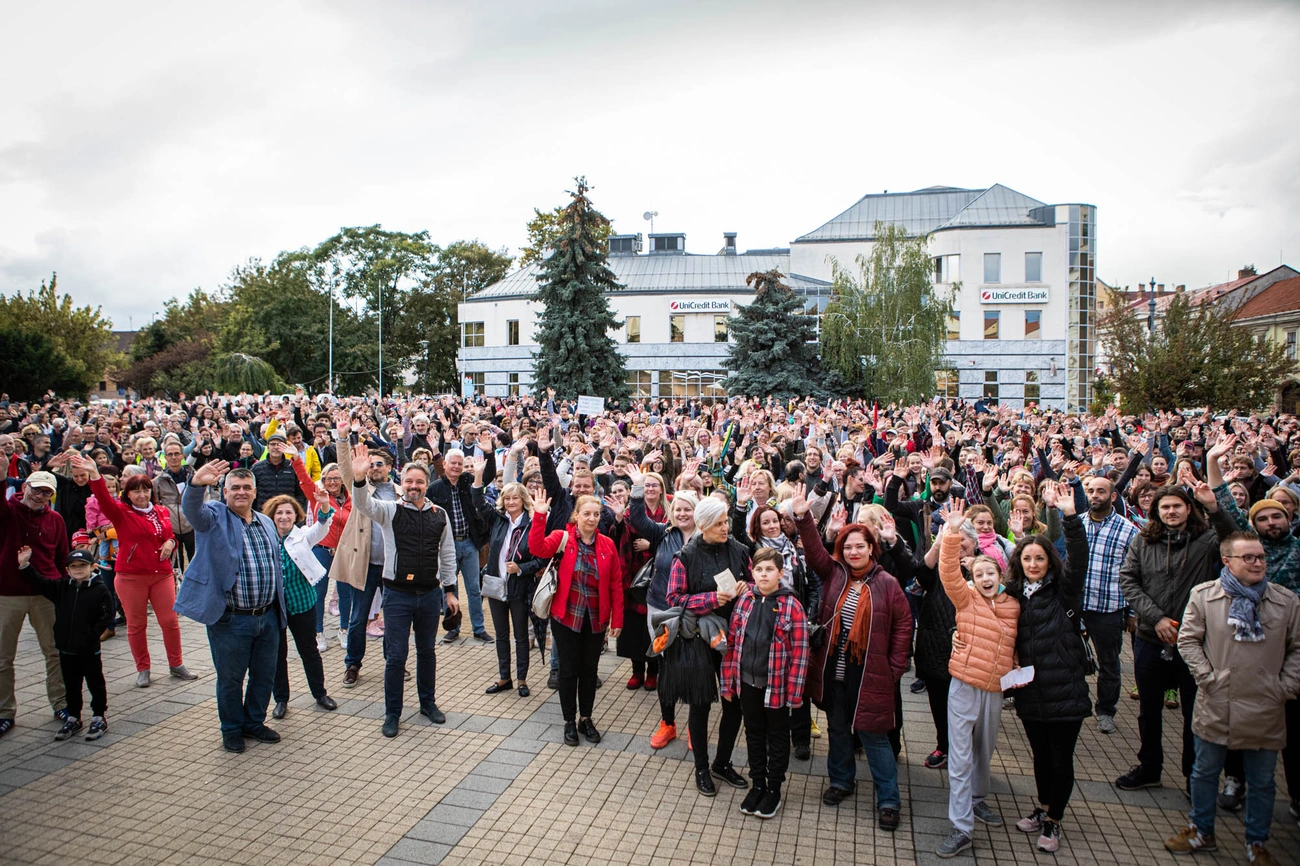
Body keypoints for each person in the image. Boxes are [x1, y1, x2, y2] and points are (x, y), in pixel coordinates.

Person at [1164, 531, 1300, 866]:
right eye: (1249, 557)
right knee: (1205, 771)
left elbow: (1297, 648)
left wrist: (1285, 687)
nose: (1258, 563)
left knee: (1263, 781)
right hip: (1218, 698)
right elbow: (1189, 640)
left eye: (1261, 558)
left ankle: (1257, 842)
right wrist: (1208, 679)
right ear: (1227, 561)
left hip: (1266, 703)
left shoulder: (1285, 601)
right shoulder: (1205, 596)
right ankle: (1201, 829)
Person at [792, 485, 911, 830]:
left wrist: (894, 669)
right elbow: (815, 553)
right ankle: (841, 780)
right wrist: (803, 517)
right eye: (848, 546)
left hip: (870, 673)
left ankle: (888, 799)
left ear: (872, 549)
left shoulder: (887, 583)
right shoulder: (836, 574)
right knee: (838, 729)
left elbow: (904, 625)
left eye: (861, 546)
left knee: (874, 736)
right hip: (836, 671)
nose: (854, 551)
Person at [176, 460, 287, 754]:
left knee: (264, 675)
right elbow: (192, 512)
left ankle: (253, 722)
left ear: (255, 491)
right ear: (224, 493)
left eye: (246, 487)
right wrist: (197, 485)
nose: (241, 492)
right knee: (231, 678)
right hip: (231, 619)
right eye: (234, 488)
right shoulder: (214, 517)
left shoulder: (265, 522)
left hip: (267, 615)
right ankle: (231, 729)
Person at [350, 445, 459, 738]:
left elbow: (448, 555)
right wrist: (359, 480)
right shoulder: (390, 511)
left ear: (426, 485)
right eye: (409, 481)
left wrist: (450, 591)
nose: (414, 486)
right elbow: (364, 506)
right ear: (403, 483)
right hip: (397, 595)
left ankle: (428, 703)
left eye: (419, 482)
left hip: (429, 594)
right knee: (396, 657)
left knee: (427, 652)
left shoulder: (440, 515)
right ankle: (392, 714)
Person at [1116, 485, 1220, 792]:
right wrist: (1156, 618)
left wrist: (1215, 507)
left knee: (1193, 711)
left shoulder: (1207, 541)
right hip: (1150, 636)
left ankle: (1193, 775)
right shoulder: (1144, 540)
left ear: (1189, 508)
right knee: (1149, 709)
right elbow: (1128, 580)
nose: (1171, 511)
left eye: (1177, 506)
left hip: (1193, 640)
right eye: (1165, 507)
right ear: (1156, 512)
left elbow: (1232, 538)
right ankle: (1150, 767)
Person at [1005, 481, 1090, 854]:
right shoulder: (1011, 595)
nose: (1034, 564)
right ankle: (1042, 806)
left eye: (1040, 559)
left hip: (1065, 690)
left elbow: (1080, 557)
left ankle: (1055, 819)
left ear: (1049, 561)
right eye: (1027, 559)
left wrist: (1069, 517)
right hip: (1031, 690)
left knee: (1060, 757)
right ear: (1019, 564)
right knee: (1039, 755)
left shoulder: (1064, 590)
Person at [933, 502, 1020, 859]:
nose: (985, 579)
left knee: (984, 750)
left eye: (992, 574)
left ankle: (978, 800)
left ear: (1001, 577)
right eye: (980, 574)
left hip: (995, 690)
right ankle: (961, 825)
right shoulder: (965, 599)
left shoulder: (1014, 605)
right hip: (964, 685)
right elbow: (947, 573)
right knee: (961, 754)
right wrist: (953, 532)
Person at [77, 453, 195, 687]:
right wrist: (94, 474)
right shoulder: (120, 512)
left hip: (161, 574)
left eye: (146, 490)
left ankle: (176, 663)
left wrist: (171, 542)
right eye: (136, 491)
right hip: (131, 577)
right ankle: (143, 668)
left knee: (170, 621)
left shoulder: (160, 511)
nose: (142, 495)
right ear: (127, 494)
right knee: (137, 624)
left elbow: (169, 535)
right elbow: (102, 497)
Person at [662, 497, 750, 796]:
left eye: (726, 521)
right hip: (699, 638)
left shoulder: (738, 550)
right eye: (719, 524)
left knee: (733, 703)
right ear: (702, 526)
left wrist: (745, 588)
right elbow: (673, 598)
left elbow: (752, 581)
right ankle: (701, 767)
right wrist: (712, 599)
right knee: (699, 705)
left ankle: (722, 763)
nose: (726, 528)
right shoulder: (685, 555)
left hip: (732, 638)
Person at [529, 488, 623, 747]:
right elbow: (536, 547)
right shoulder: (563, 538)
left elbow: (616, 583)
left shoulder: (607, 545)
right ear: (576, 516)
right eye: (586, 514)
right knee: (569, 671)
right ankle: (569, 720)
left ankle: (586, 718)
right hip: (566, 617)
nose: (592, 519)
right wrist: (539, 516)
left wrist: (617, 620)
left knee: (589, 671)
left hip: (595, 618)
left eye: (596, 514)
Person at [720, 547, 809, 820]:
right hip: (747, 682)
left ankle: (774, 789)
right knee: (754, 733)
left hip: (778, 687)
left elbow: (801, 651)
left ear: (780, 574)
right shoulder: (745, 600)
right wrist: (728, 684)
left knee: (778, 736)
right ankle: (757, 783)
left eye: (769, 569)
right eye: (758, 570)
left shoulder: (791, 605)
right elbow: (732, 643)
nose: (763, 574)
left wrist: (794, 694)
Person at [628, 477, 698, 750]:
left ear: (697, 511)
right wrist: (637, 489)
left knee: (694, 667)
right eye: (678, 509)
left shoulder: (706, 539)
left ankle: (696, 725)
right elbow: (637, 520)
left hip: (693, 611)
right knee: (667, 667)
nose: (682, 514)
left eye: (687, 509)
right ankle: (667, 723)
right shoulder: (663, 533)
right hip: (660, 607)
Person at [0, 467, 69, 738]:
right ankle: (5, 712)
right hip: (8, 593)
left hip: (46, 593)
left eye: (46, 492)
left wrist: (63, 589)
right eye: (36, 489)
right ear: (25, 486)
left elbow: (62, 557)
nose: (39, 495)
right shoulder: (8, 511)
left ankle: (61, 704)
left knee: (54, 652)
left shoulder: (56, 520)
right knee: (3, 657)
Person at [18, 548, 114, 741]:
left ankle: (98, 716)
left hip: (89, 649)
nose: (78, 570)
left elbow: (106, 616)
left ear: (92, 567)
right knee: (71, 685)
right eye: (73, 567)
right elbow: (40, 584)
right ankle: (73, 717)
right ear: (67, 569)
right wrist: (24, 565)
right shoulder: (62, 587)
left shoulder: (100, 590)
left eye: (82, 566)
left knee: (95, 682)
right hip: (66, 648)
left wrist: (92, 635)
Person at [263, 493, 338, 719]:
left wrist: (324, 503)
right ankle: (281, 699)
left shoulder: (303, 535)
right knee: (278, 654)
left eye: (288, 512)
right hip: (274, 606)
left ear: (296, 515)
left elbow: (323, 524)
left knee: (309, 651)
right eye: (279, 512)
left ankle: (320, 693)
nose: (284, 517)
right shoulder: (265, 538)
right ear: (272, 516)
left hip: (302, 604)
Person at [472, 460, 542, 697]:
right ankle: (505, 678)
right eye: (507, 498)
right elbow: (478, 502)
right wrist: (479, 478)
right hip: (495, 586)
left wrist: (521, 568)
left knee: (521, 636)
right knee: (501, 635)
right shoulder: (498, 520)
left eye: (515, 498)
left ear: (523, 499)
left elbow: (541, 560)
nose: (511, 502)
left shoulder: (532, 525)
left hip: (519, 587)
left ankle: (522, 679)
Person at [338, 428, 397, 688]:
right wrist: (342, 440)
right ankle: (352, 664)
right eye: (370, 465)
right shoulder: (360, 488)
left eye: (378, 464)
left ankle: (394, 661)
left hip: (393, 566)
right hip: (366, 564)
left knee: (394, 617)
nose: (373, 468)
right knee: (358, 617)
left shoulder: (399, 491)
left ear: (389, 467)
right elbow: (346, 470)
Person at [1080, 474, 1139, 734]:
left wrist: (1133, 611)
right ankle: (1076, 704)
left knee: (1109, 664)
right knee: (1071, 660)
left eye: (1101, 491)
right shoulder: (1077, 524)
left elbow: (1138, 574)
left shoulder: (1129, 531)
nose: (1095, 495)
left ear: (1113, 496)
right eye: (1091, 490)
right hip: (1077, 607)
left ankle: (1105, 710)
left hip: (1109, 608)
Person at [428, 439, 495, 644]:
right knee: (449, 588)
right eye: (453, 463)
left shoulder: (468, 481)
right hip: (446, 546)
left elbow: (489, 475)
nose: (456, 466)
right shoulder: (435, 489)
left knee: (474, 589)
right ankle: (453, 627)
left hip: (469, 543)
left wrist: (490, 454)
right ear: (444, 465)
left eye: (459, 463)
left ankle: (479, 628)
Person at [152, 440, 196, 569]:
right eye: (170, 454)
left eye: (177, 454)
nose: (174, 457)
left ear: (183, 455)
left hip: (192, 525)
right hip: (172, 528)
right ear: (165, 457)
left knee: (195, 561)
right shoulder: (158, 481)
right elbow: (155, 505)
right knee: (176, 564)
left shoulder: (194, 477)